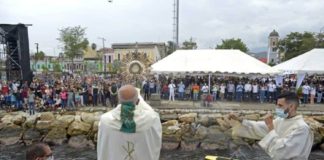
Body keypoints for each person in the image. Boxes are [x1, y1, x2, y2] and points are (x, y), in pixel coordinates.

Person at [229, 92, 313, 160]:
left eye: (280, 105)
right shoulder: (281, 120)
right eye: (277, 105)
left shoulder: (301, 128)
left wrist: (271, 128)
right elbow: (261, 127)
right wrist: (241, 120)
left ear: (291, 106)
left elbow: (282, 152)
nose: (277, 108)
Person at [97, 85, 162, 160]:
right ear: (138, 101)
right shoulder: (152, 119)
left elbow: (103, 146)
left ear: (118, 99)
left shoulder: (105, 120)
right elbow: (155, 141)